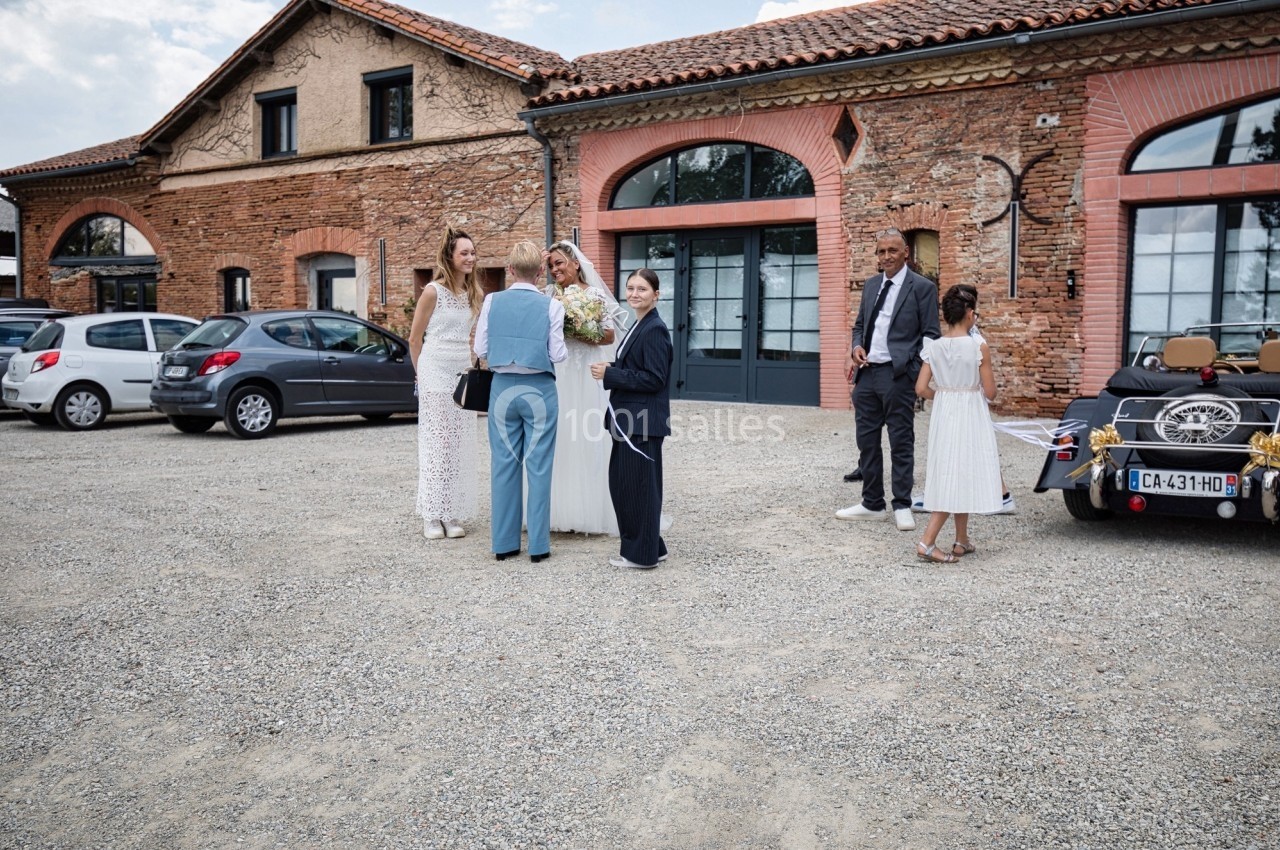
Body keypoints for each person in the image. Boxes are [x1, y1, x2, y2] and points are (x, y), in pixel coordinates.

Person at [837, 228, 941, 531]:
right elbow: (859, 325)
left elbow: (931, 334)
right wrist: (856, 346)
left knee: (901, 440)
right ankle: (872, 503)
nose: (886, 257)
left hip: (898, 376)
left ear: (905, 252)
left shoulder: (922, 287)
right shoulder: (871, 286)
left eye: (892, 251)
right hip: (867, 374)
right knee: (866, 441)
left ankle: (901, 503)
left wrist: (912, 372)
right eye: (881, 252)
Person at [474, 241, 567, 563]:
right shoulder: (552, 306)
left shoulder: (492, 300)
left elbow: (480, 349)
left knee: (503, 465)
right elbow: (558, 354)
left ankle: (504, 544)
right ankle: (538, 547)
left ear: (510, 269)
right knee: (539, 467)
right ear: (541, 272)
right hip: (539, 389)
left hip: (501, 389)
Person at [912, 285, 1003, 562]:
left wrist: (943, 396)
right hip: (969, 412)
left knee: (954, 468)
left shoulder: (934, 347)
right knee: (956, 472)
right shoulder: (978, 346)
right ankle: (927, 543)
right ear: (970, 314)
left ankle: (961, 539)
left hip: (945, 411)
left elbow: (920, 388)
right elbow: (990, 392)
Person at [590, 269, 672, 570]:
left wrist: (610, 374)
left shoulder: (654, 329)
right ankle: (653, 546)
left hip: (642, 423)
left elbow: (655, 378)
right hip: (630, 421)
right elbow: (640, 366)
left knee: (636, 489)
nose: (635, 294)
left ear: (656, 295)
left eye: (642, 289)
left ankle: (641, 556)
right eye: (631, 288)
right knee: (633, 486)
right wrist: (614, 365)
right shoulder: (641, 325)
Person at [543, 241, 623, 535]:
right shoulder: (550, 296)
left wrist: (585, 330)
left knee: (588, 435)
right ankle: (557, 510)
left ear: (576, 264)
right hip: (561, 373)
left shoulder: (596, 295)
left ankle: (592, 511)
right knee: (560, 436)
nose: (555, 269)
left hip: (588, 372)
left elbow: (610, 335)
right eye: (551, 265)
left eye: (559, 263)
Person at [409, 225, 481, 540]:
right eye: (464, 253)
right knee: (437, 444)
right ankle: (431, 514)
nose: (470, 257)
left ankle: (450, 512)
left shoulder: (474, 293)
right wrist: (420, 376)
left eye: (472, 252)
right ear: (450, 257)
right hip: (434, 372)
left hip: (461, 373)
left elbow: (474, 336)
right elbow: (414, 338)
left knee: (458, 445)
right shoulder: (432, 291)